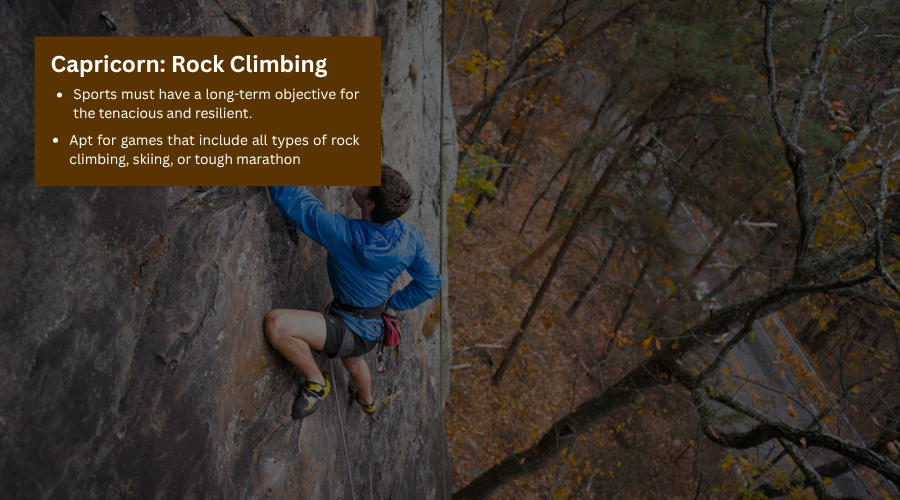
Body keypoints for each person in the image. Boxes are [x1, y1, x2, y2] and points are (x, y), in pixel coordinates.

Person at [264, 165, 442, 419]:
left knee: (277, 324)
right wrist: (394, 303)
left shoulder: (343, 234)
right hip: (371, 330)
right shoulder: (410, 237)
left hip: (348, 329)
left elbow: (294, 200)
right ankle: (368, 401)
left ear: (369, 204)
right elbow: (431, 283)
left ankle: (317, 381)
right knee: (355, 362)